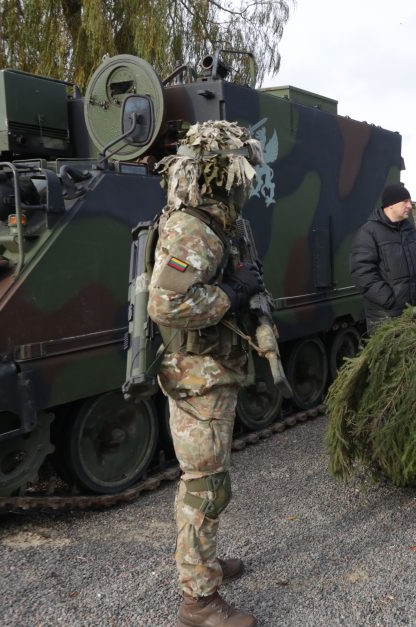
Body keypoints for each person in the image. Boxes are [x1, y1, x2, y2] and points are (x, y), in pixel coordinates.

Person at [147, 121, 263, 627]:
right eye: (240, 173)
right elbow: (165, 303)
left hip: (211, 370)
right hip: (198, 376)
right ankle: (199, 600)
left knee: (212, 481)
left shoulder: (215, 223)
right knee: (204, 486)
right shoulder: (192, 229)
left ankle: (206, 566)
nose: (247, 182)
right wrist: (230, 296)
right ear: (221, 175)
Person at [350, 182, 416, 333]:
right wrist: (389, 300)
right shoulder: (369, 232)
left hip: (413, 312)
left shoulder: (409, 230)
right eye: (405, 201)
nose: (410, 206)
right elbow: (362, 274)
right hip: (385, 317)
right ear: (391, 204)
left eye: (410, 201)